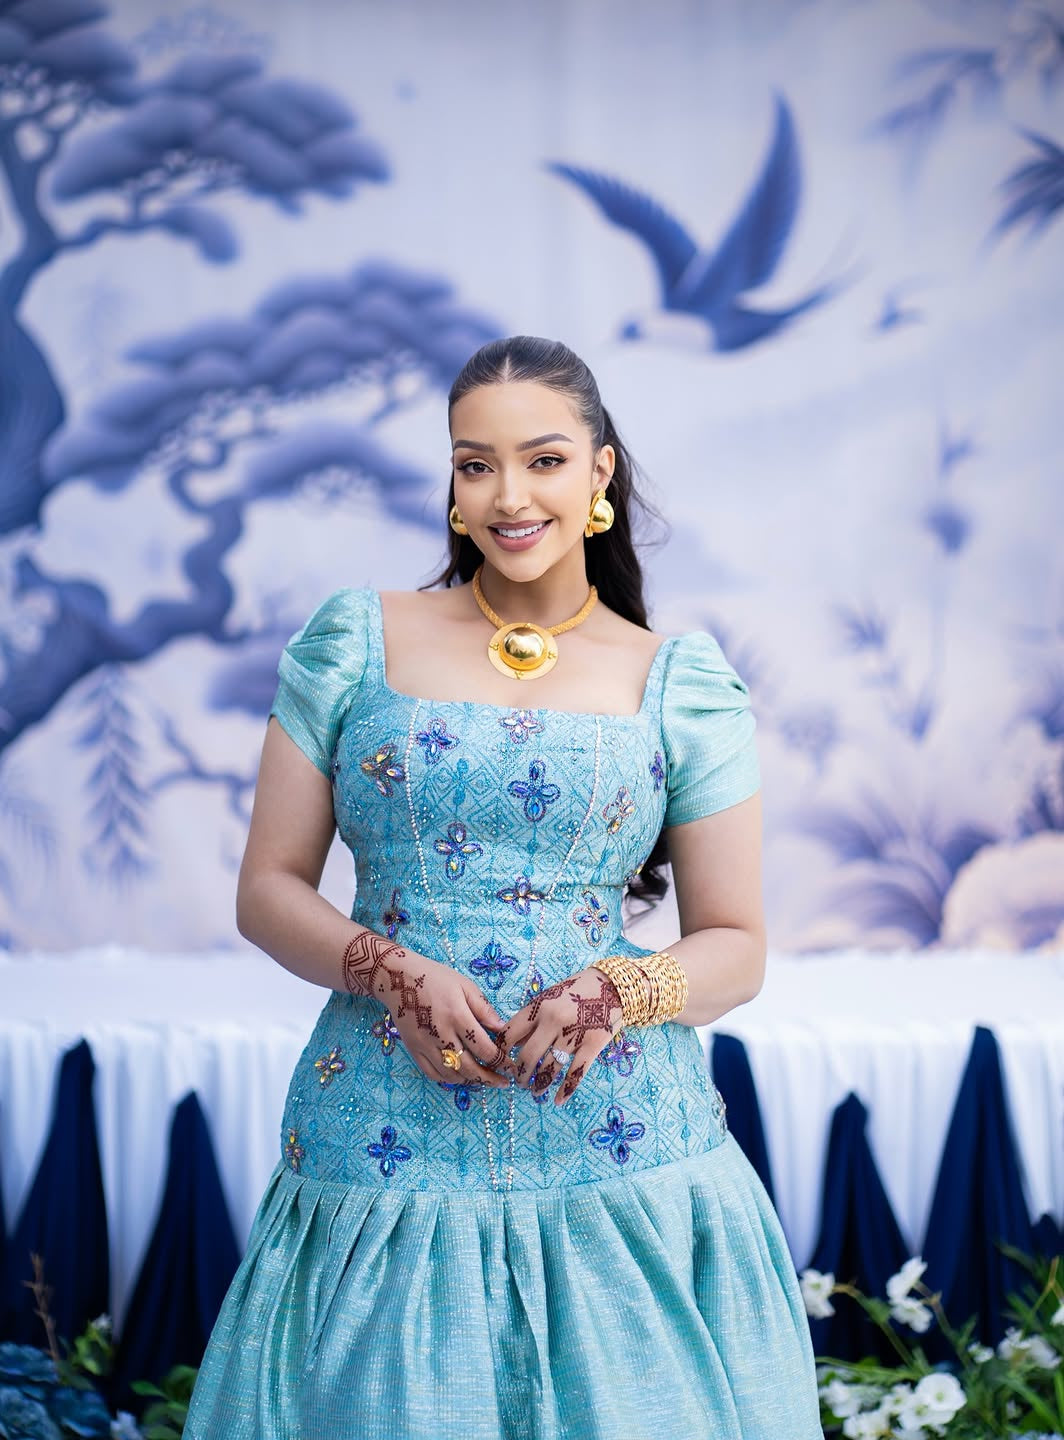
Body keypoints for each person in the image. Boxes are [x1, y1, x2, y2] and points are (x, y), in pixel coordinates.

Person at [182, 335, 824, 1439]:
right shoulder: (355, 642)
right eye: (474, 463)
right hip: (382, 1125)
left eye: (544, 460)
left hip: (618, 1140)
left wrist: (612, 995)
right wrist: (391, 972)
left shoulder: (683, 680)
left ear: (601, 474)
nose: (508, 495)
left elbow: (736, 944)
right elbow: (268, 889)